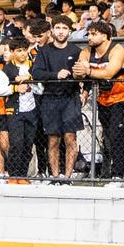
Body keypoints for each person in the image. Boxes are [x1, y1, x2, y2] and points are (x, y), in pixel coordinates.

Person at [73, 20, 124, 182]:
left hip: (121, 98)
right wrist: (83, 84)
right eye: (88, 34)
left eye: (93, 34)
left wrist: (88, 70)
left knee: (116, 134)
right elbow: (78, 72)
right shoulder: (86, 51)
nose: (89, 37)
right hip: (102, 99)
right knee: (110, 137)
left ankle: (119, 174)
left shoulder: (117, 49)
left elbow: (109, 73)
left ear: (105, 36)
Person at [32, 16, 83, 179]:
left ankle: (67, 177)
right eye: (58, 28)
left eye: (64, 28)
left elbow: (85, 73)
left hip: (71, 98)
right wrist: (56, 75)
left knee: (70, 138)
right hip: (50, 98)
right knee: (53, 140)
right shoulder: (44, 51)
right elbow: (36, 73)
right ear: (52, 30)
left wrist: (86, 92)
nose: (61, 31)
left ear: (70, 31)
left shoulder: (76, 51)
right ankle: (54, 177)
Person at [0, 39, 38, 182]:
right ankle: (13, 175)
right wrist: (15, 88)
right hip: (14, 111)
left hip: (32, 110)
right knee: (16, 144)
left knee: (28, 145)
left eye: (24, 50)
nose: (23, 53)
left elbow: (41, 84)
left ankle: (23, 176)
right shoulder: (6, 70)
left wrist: (31, 78)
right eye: (19, 50)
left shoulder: (34, 67)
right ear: (12, 52)